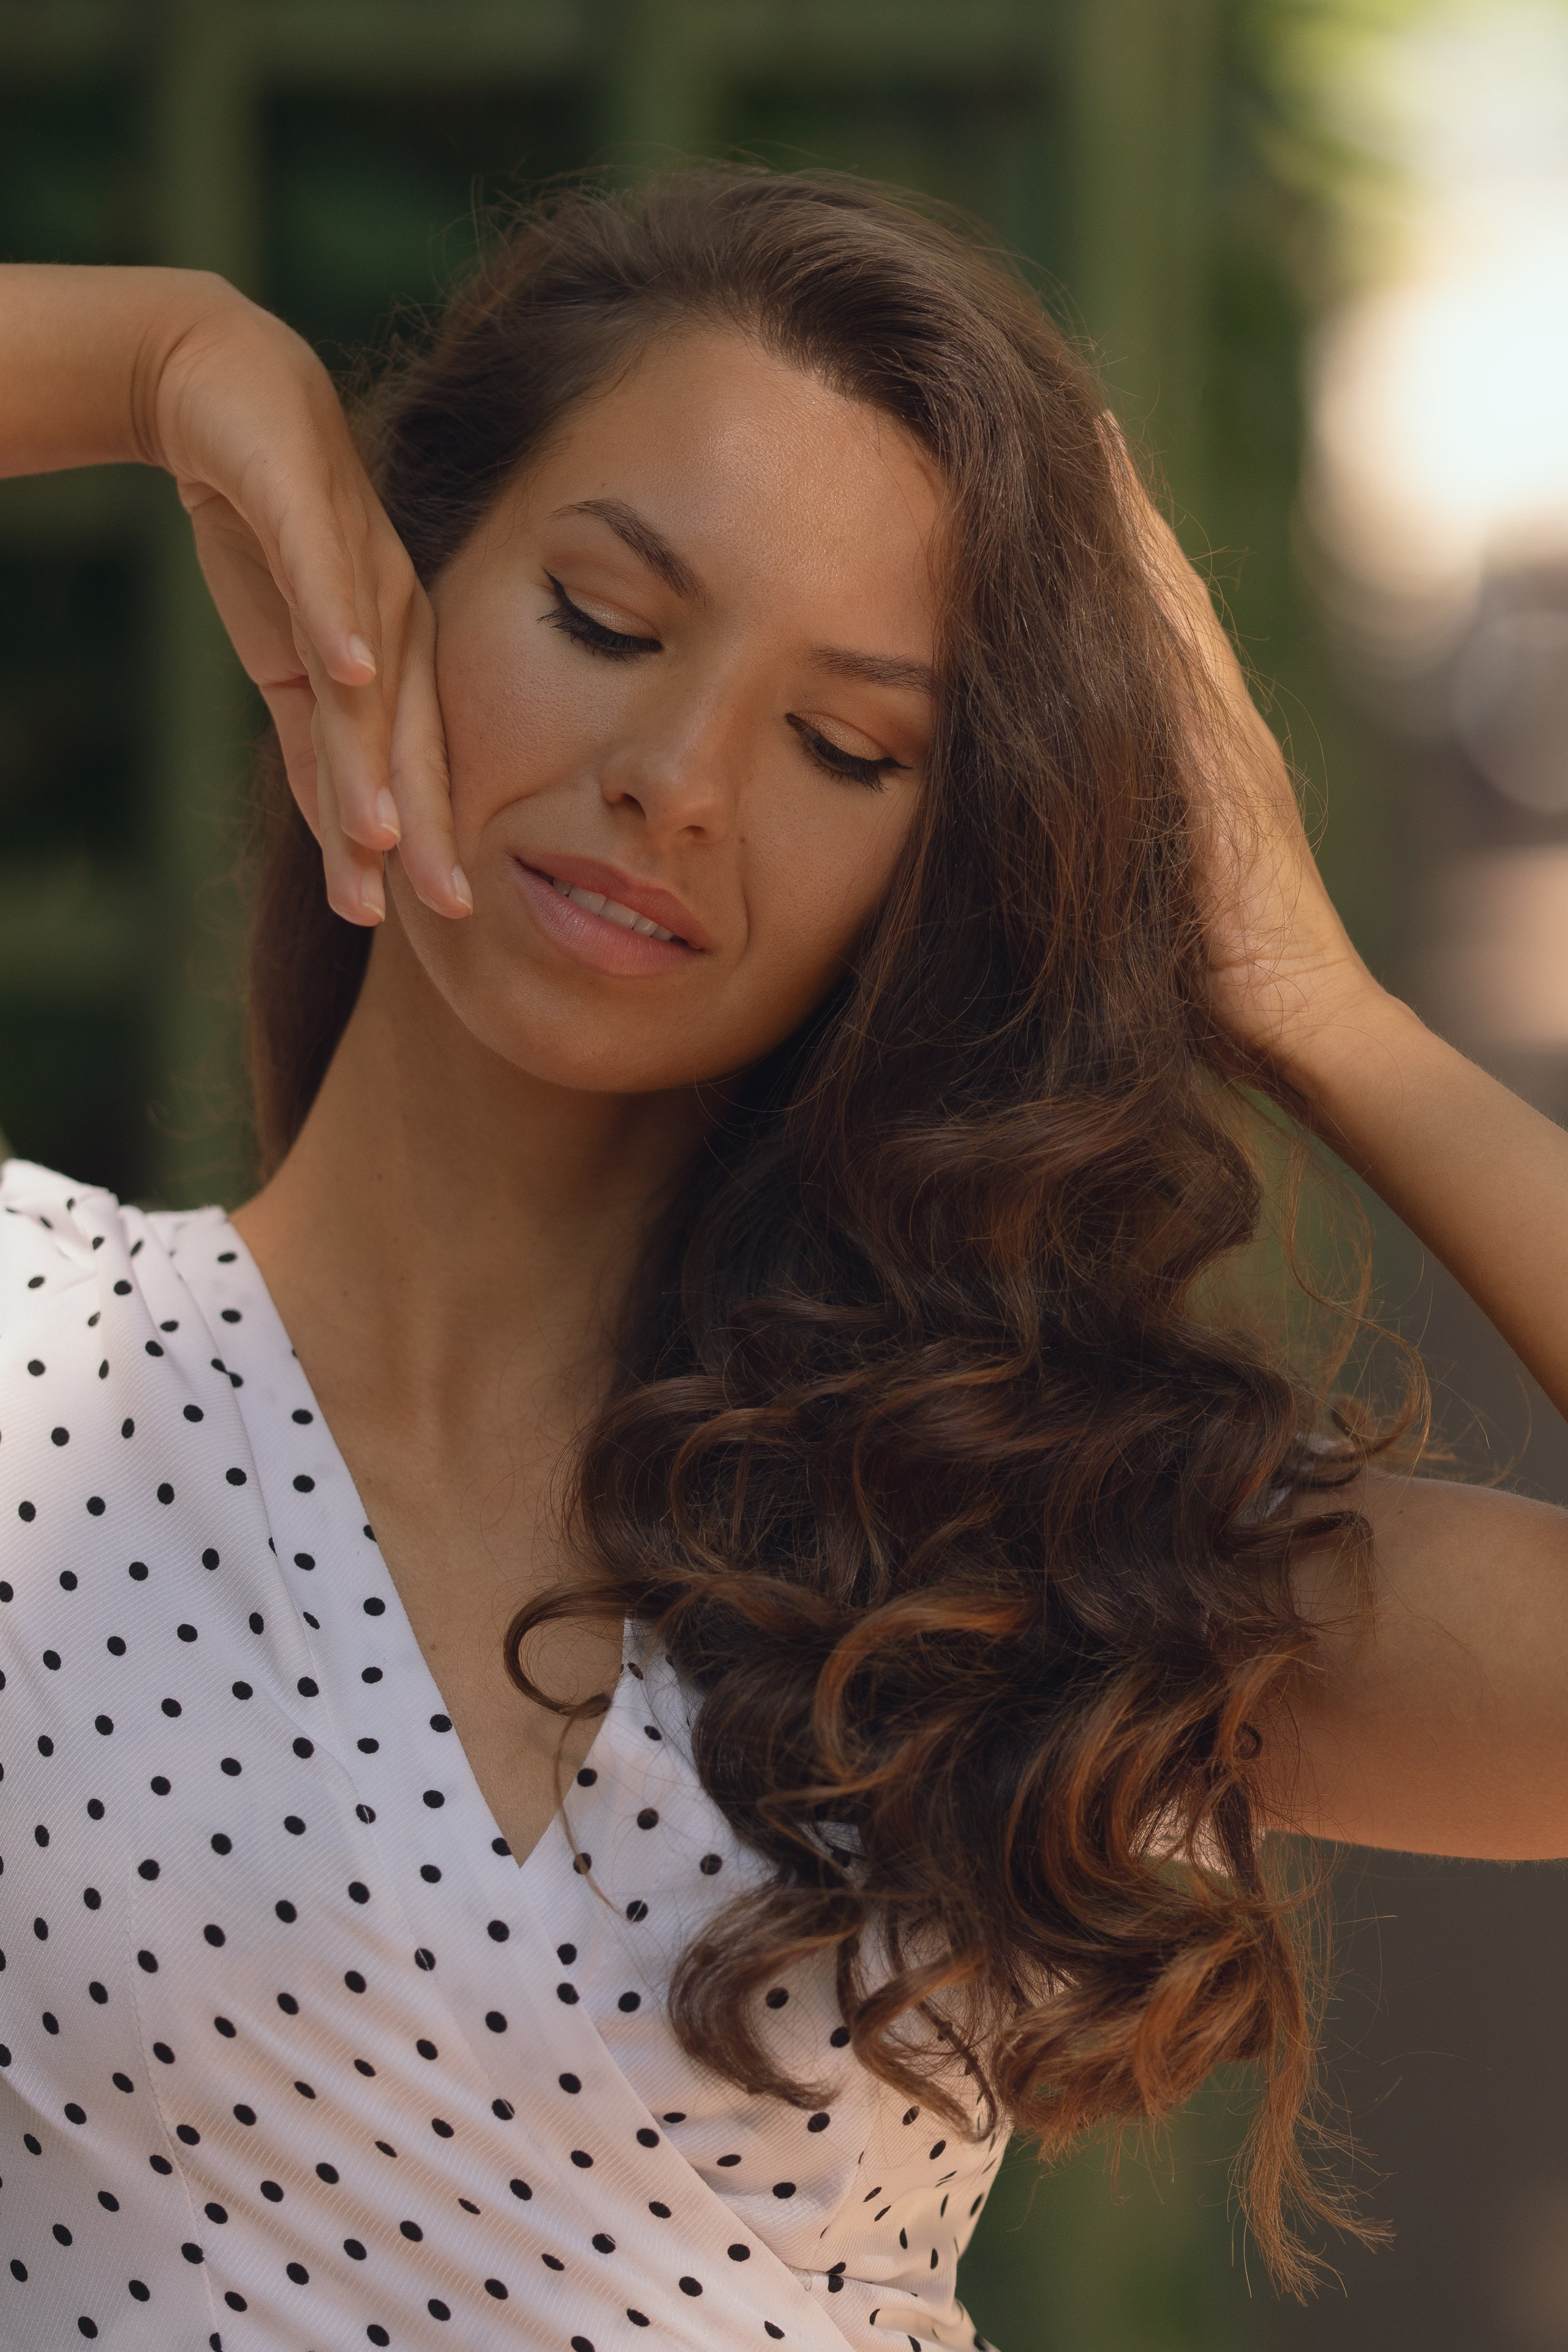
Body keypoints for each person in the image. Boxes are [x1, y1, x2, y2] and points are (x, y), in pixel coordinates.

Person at [2, 168, 1567, 2352]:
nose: (679, 780)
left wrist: (1318, 1004)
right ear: (400, 581)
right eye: (610, 622)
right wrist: (160, 364)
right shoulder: (30, 1359)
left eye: (848, 748)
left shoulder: (1014, 1535)